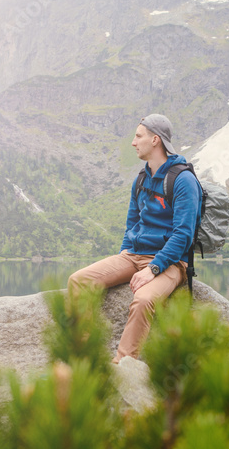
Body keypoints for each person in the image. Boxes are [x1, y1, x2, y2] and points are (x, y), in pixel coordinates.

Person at [67, 114, 202, 363]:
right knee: (78, 281)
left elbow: (183, 235)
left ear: (155, 140)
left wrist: (153, 268)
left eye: (138, 136)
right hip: (133, 256)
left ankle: (123, 365)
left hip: (171, 263)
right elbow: (132, 224)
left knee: (142, 300)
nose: (133, 142)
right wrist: (123, 257)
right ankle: (85, 356)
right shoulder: (140, 179)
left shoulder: (183, 181)